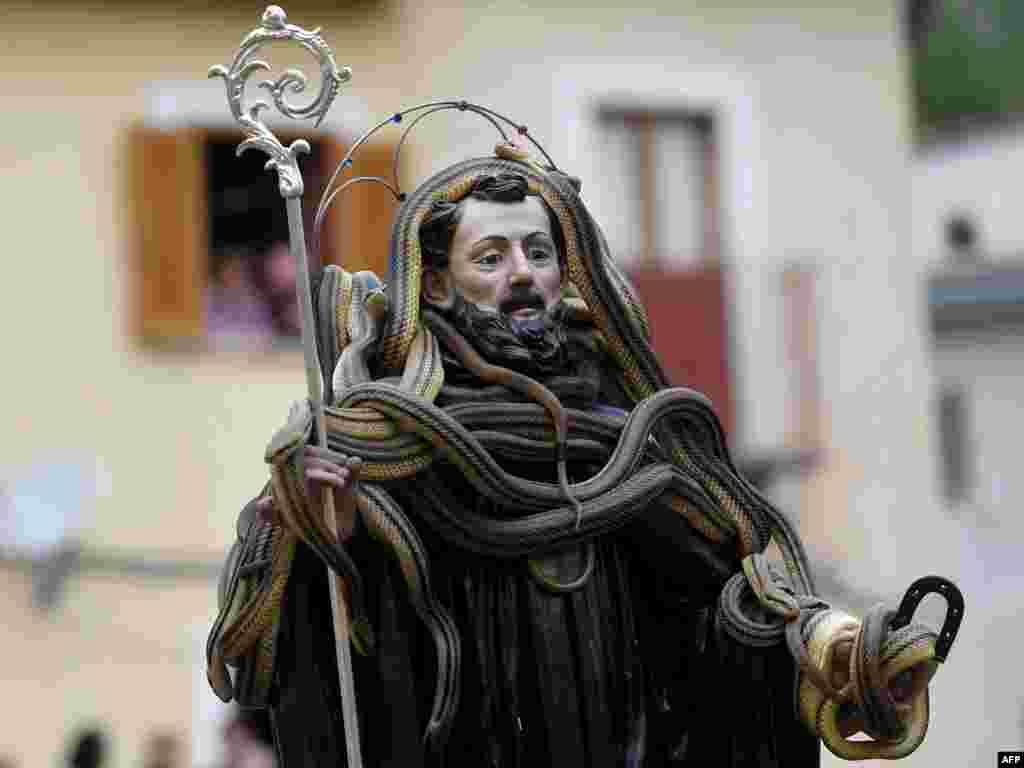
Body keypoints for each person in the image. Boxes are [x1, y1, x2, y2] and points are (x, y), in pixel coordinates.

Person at [207, 149, 951, 766]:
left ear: (567, 271)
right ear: (434, 284)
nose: (522, 273)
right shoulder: (394, 440)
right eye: (490, 257)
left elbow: (717, 596)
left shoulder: (629, 434)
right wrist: (328, 543)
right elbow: (334, 650)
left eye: (537, 252)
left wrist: (823, 645)